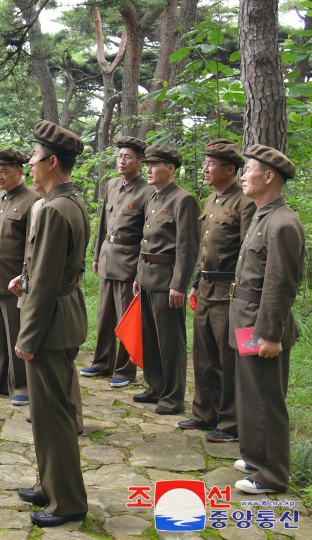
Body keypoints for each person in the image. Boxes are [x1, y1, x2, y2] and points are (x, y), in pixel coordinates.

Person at [11, 120, 90, 528]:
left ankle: (68, 502)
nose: (30, 162)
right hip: (60, 316)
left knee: (55, 416)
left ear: (52, 161)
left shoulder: (56, 209)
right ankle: (50, 485)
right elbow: (48, 271)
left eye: (35, 157)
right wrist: (23, 279)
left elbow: (45, 284)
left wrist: (27, 337)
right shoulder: (67, 202)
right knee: (44, 413)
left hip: (50, 325)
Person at [230, 145, 304, 495]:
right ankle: (256, 456)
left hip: (262, 324)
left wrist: (270, 335)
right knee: (250, 394)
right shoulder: (262, 214)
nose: (243, 175)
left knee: (265, 399)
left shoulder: (283, 222)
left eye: (249, 170)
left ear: (269, 176)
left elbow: (280, 284)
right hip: (247, 319)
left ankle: (272, 475)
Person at [179, 139, 254, 443]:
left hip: (228, 290)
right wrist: (195, 283)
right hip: (207, 286)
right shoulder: (212, 200)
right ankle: (203, 412)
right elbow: (203, 250)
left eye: (212, 165)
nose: (205, 169)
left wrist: (239, 291)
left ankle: (230, 421)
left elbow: (247, 252)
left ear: (231, 169)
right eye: (206, 163)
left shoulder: (244, 202)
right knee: (203, 354)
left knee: (226, 356)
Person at [132, 145, 201, 415]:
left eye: (154, 165)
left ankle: (173, 397)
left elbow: (187, 247)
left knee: (170, 341)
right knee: (150, 337)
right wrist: (138, 275)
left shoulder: (183, 200)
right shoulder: (153, 197)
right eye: (147, 164)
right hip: (148, 276)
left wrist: (179, 284)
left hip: (167, 279)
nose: (148, 169)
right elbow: (145, 240)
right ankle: (156, 386)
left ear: (170, 168)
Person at [81, 136, 150, 388]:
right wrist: (97, 253)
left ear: (140, 162)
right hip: (108, 257)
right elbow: (102, 222)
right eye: (119, 156)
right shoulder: (111, 185)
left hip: (129, 260)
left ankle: (124, 369)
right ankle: (101, 362)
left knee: (124, 317)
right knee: (104, 314)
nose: (121, 161)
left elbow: (147, 233)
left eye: (127, 157)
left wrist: (140, 269)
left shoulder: (147, 191)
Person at [0, 148, 38, 405]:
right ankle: (0, 380)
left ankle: (21, 385)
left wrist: (25, 278)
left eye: (5, 171)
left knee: (16, 332)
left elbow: (30, 245)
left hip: (14, 281)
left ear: (20, 172)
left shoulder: (32, 200)